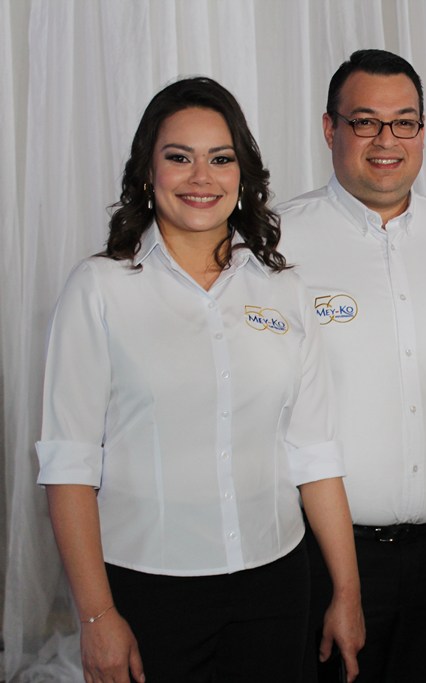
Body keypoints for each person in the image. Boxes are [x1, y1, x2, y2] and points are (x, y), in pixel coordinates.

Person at [36, 77, 364, 683]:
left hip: (276, 585)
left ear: (242, 175)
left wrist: (346, 592)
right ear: (148, 171)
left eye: (220, 158)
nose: (201, 177)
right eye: (179, 157)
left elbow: (314, 454)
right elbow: (69, 466)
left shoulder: (284, 289)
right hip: (146, 592)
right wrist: (96, 615)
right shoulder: (98, 289)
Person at [276, 49, 426, 682]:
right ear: (330, 129)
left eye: (404, 122)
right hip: (326, 558)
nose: (386, 140)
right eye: (365, 122)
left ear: (422, 132)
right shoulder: (276, 245)